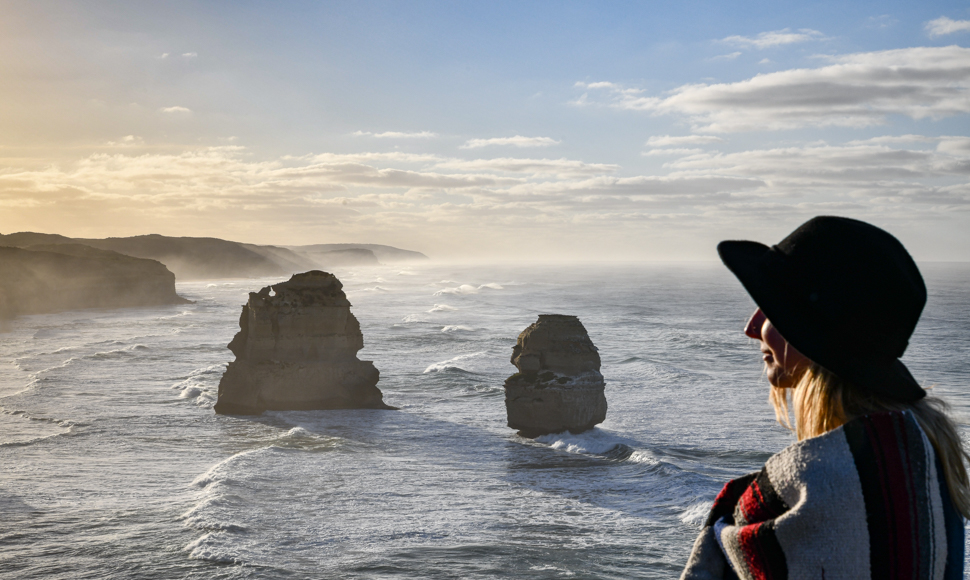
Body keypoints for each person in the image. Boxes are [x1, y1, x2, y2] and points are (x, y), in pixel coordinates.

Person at [680, 216, 968, 580]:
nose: (751, 328)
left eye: (771, 309)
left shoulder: (815, 491)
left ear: (811, 335)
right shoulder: (924, 470)